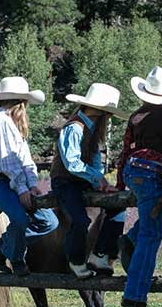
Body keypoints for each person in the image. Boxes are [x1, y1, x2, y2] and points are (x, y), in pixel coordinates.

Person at [114, 67, 162, 307]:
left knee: (156, 212)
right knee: (152, 234)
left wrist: (119, 184)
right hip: (150, 173)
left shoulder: (135, 116)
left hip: (132, 171)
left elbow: (125, 151)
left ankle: (129, 239)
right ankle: (134, 294)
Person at [0, 76, 59, 276]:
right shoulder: (1, 122)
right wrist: (23, 188)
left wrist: (32, 183)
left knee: (49, 221)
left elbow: (25, 160)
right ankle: (16, 259)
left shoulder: (10, 124)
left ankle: (1, 249)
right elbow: (9, 162)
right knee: (21, 219)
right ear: (21, 104)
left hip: (11, 180)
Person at [50, 83, 126, 279]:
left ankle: (100, 253)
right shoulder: (74, 128)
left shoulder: (90, 130)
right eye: (108, 115)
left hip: (81, 182)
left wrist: (100, 182)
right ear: (101, 113)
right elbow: (72, 163)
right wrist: (97, 178)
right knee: (80, 220)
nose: (108, 120)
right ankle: (76, 260)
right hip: (65, 182)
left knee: (117, 206)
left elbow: (93, 161)